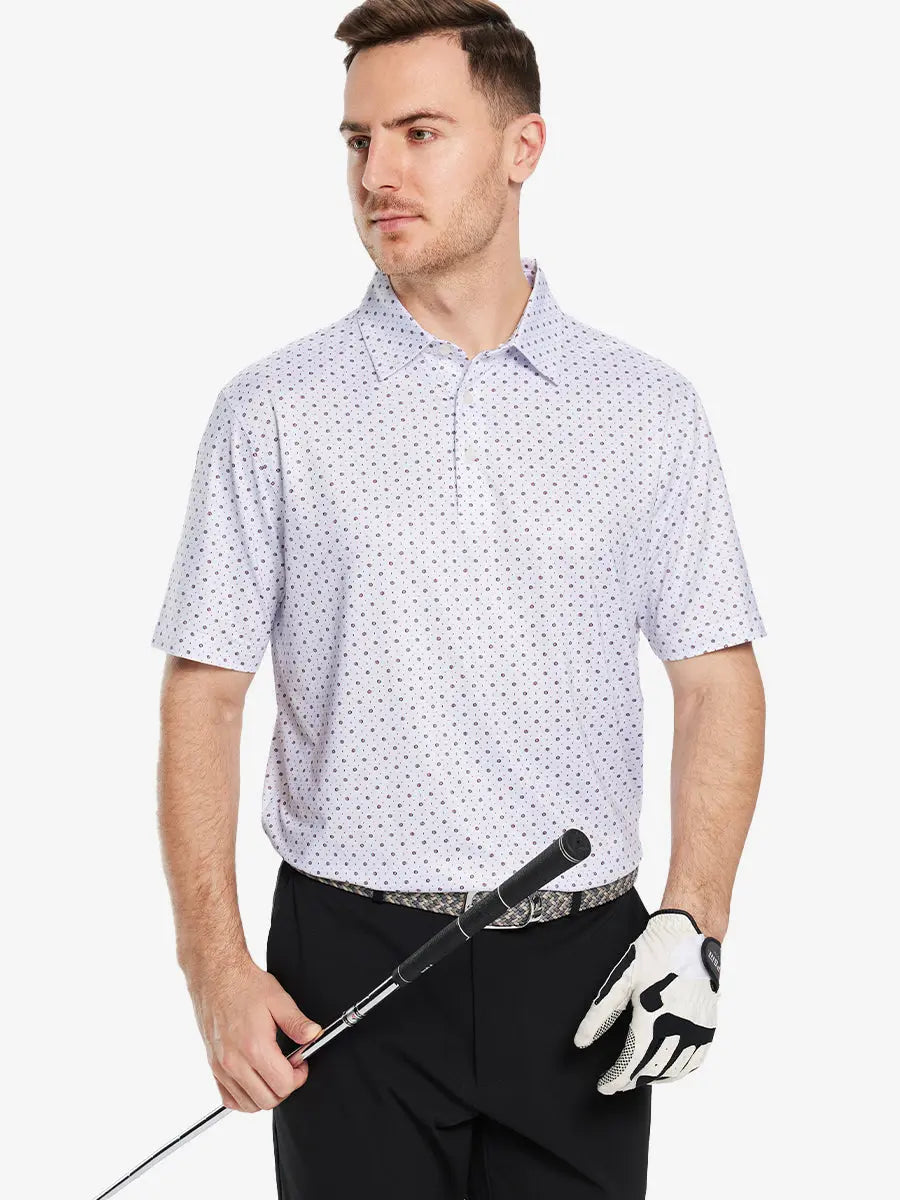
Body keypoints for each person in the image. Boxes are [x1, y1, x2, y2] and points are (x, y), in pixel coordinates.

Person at [149, 3, 767, 1197]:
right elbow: (204, 698)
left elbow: (717, 681)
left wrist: (694, 926)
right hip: (343, 964)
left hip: (588, 971)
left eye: (419, 133)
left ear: (522, 146)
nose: (376, 174)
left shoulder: (648, 408)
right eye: (357, 140)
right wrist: (215, 970)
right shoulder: (273, 410)